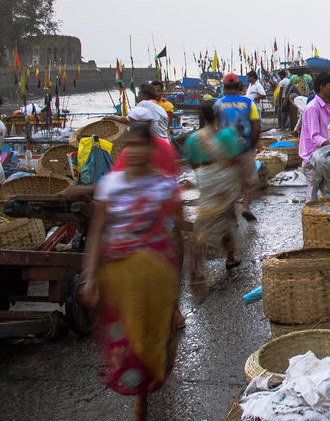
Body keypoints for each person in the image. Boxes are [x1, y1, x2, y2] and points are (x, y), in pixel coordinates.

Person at [79, 122, 184, 421]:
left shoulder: (165, 185)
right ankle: (140, 397)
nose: (136, 151)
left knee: (157, 338)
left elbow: (178, 231)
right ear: (125, 150)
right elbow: (97, 232)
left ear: (152, 149)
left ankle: (145, 393)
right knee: (129, 341)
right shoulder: (110, 185)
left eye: (141, 145)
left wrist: (195, 270)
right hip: (121, 277)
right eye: (130, 146)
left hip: (158, 275)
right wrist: (89, 276)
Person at [184, 103, 243, 296]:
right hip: (223, 178)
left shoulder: (194, 138)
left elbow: (193, 163)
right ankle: (230, 256)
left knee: (207, 212)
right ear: (218, 116)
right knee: (228, 215)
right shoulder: (226, 135)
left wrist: (204, 175)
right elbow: (235, 159)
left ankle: (200, 254)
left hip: (206, 177)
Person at [214, 73, 260, 221]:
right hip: (244, 146)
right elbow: (256, 127)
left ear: (224, 87)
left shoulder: (217, 104)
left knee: (227, 183)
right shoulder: (248, 103)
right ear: (240, 87)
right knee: (250, 181)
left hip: (224, 150)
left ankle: (231, 214)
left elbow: (212, 128)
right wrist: (251, 145)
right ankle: (246, 206)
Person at [299, 72, 330, 198]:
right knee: (313, 195)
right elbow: (315, 138)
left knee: (325, 192)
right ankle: (310, 216)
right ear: (322, 87)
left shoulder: (326, 106)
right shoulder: (313, 108)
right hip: (312, 159)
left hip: (322, 156)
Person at [106, 84, 171, 141]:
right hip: (166, 146)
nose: (137, 98)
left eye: (138, 95)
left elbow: (125, 120)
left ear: (143, 95)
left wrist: (110, 117)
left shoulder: (144, 104)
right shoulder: (160, 109)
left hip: (156, 148)